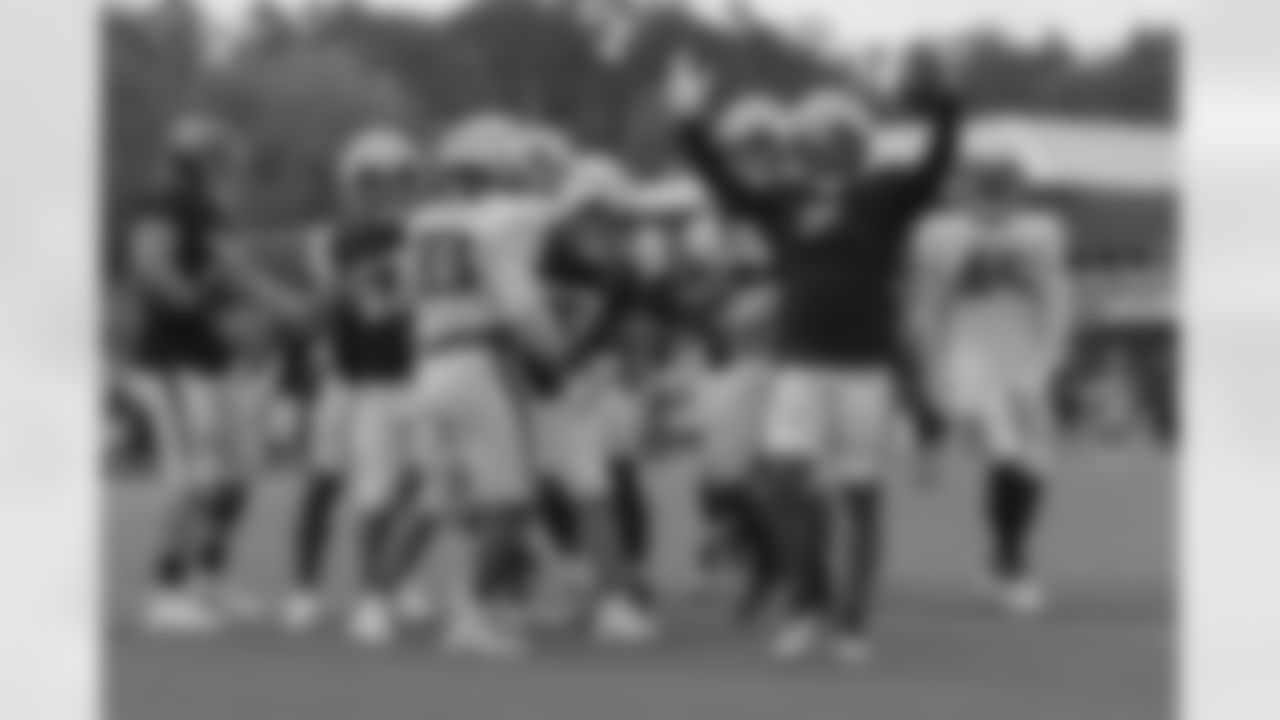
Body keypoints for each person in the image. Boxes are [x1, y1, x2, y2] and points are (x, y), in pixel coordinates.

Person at [662, 47, 965, 665]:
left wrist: (944, 103)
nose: (825, 145)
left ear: (856, 142)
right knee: (783, 483)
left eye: (837, 134)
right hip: (799, 364)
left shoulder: (886, 195)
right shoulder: (783, 199)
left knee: (860, 495)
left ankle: (853, 622)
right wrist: (689, 119)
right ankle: (808, 604)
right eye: (815, 136)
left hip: (865, 368)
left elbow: (937, 162)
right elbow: (723, 182)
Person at [908, 130, 1073, 618]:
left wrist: (1049, 359)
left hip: (1021, 354)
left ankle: (1002, 559)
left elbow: (1055, 298)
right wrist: (931, 368)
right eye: (984, 184)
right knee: (1008, 454)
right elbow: (928, 306)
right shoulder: (941, 234)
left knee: (1032, 463)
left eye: (999, 184)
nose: (992, 195)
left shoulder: (1041, 231)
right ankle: (1013, 565)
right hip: (971, 357)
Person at [281, 126, 426, 646]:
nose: (384, 190)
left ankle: (391, 578)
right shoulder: (331, 239)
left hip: (413, 374)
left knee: (414, 483)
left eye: (395, 179)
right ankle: (308, 588)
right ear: (351, 184)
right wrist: (292, 389)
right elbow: (318, 312)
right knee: (328, 482)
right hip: (350, 376)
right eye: (371, 181)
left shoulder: (426, 232)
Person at [127, 113, 251, 634]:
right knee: (192, 480)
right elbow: (150, 266)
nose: (228, 163)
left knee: (232, 477)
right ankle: (166, 592)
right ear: (200, 160)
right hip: (172, 360)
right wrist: (198, 301)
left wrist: (285, 313)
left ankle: (205, 580)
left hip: (205, 360)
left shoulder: (206, 208)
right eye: (219, 155)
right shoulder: (168, 201)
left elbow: (235, 275)